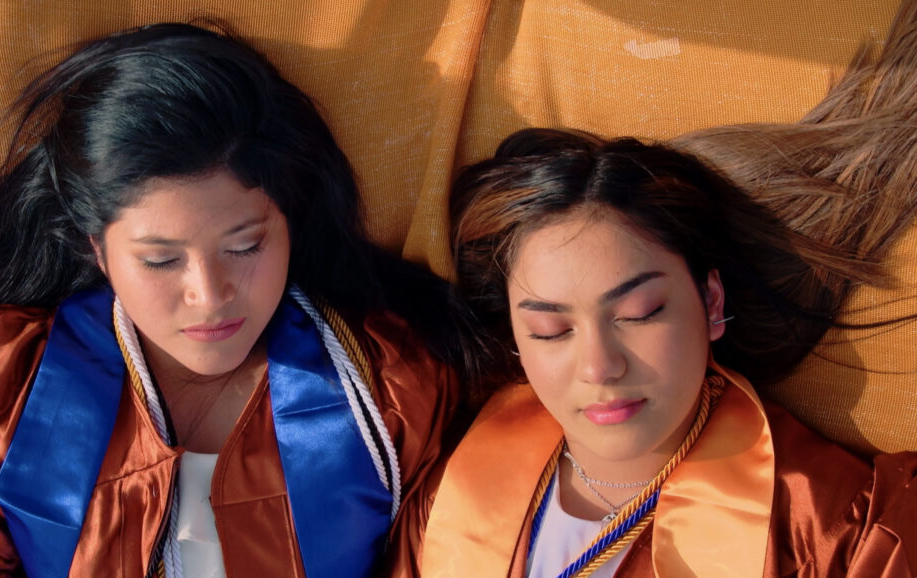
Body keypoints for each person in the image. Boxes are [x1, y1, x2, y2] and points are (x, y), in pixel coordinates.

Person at [0, 23, 461, 577]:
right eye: (161, 259)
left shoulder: (388, 392)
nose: (209, 294)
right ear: (97, 247)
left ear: (291, 219)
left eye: (245, 246)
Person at [387, 6, 917, 576]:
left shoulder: (840, 529)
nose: (599, 366)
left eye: (638, 313)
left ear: (711, 303)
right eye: (551, 330)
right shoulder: (445, 498)